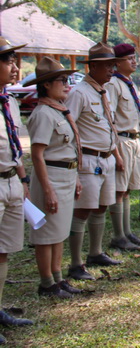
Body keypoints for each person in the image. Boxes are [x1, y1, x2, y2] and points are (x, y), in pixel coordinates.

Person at [25, 57, 84, 299]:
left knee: (60, 230)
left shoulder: (59, 111)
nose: (67, 85)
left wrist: (76, 176)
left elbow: (69, 148)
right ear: (46, 85)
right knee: (46, 234)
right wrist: (47, 189)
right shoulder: (43, 114)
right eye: (62, 80)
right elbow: (38, 155)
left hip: (66, 175)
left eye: (68, 80)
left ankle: (58, 277)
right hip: (50, 177)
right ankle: (47, 283)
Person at [66, 42, 124, 281]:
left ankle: (95, 252)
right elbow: (69, 128)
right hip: (89, 159)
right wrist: (75, 164)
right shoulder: (79, 93)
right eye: (107, 66)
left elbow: (108, 125)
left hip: (106, 157)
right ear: (93, 67)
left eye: (113, 65)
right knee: (83, 210)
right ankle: (75, 263)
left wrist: (116, 154)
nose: (111, 70)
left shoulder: (103, 91)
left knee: (101, 206)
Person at [0, 37, 34, 338]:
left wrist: (23, 179)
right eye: (8, 61)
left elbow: (14, 145)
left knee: (4, 250)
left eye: (14, 61)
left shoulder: (9, 101)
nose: (15, 68)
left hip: (11, 180)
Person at [105, 43, 140, 251]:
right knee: (119, 190)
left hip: (134, 138)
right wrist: (115, 152)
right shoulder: (113, 84)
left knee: (128, 189)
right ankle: (118, 236)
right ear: (117, 63)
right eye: (129, 59)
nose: (134, 62)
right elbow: (110, 119)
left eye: (134, 58)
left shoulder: (129, 83)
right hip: (121, 140)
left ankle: (127, 232)